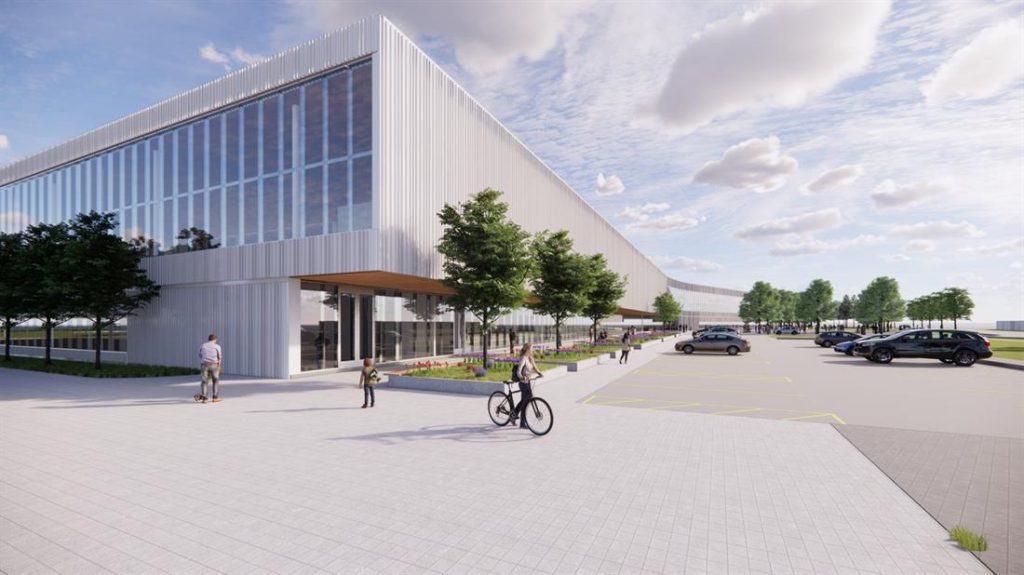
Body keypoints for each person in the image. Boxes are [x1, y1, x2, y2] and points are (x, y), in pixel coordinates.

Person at [514, 343, 543, 429]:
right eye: (531, 348)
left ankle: (515, 413)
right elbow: (518, 371)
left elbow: (534, 368)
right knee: (525, 402)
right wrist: (522, 377)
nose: (532, 350)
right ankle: (522, 423)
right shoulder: (523, 358)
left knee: (524, 400)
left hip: (528, 382)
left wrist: (539, 373)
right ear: (527, 349)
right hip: (523, 383)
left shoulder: (530, 358)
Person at [195, 334, 222, 403]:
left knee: (204, 381)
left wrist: (204, 360)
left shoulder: (203, 345)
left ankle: (205, 399)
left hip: (204, 365)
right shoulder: (217, 346)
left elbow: (199, 354)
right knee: (215, 381)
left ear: (209, 339)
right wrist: (219, 365)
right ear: (215, 339)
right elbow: (219, 356)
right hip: (214, 365)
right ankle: (215, 398)